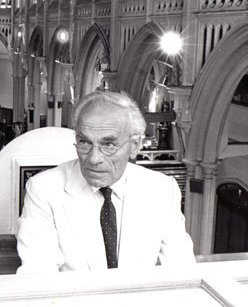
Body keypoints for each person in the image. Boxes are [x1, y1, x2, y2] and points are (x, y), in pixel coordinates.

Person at [17, 91, 195, 273]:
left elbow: (181, 267)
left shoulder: (162, 189)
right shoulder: (43, 189)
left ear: (134, 146)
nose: (94, 159)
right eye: (85, 142)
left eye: (109, 145)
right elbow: (37, 274)